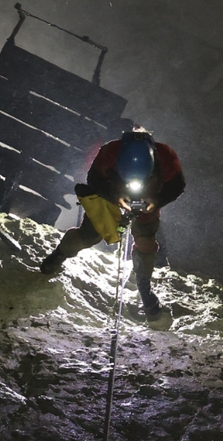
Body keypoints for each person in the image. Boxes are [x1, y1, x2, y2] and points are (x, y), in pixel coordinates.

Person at [37, 126, 184, 317]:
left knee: (145, 239)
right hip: (111, 191)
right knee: (90, 234)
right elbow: (94, 180)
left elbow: (177, 185)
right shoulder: (109, 153)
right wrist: (115, 196)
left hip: (150, 195)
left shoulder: (166, 157)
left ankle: (144, 287)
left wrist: (156, 201)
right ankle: (58, 256)